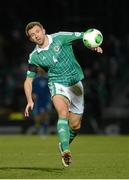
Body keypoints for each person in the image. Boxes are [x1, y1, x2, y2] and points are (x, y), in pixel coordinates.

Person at [24, 21, 103, 167]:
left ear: (43, 30)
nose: (36, 36)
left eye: (37, 31)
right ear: (31, 39)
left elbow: (84, 35)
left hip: (76, 84)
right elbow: (28, 81)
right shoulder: (34, 56)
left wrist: (93, 44)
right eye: (32, 35)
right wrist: (29, 100)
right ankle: (66, 151)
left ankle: (63, 144)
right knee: (62, 113)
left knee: (75, 126)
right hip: (57, 83)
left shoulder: (61, 37)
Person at [32, 67, 51, 135]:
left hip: (46, 99)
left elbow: (51, 89)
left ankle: (45, 130)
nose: (39, 69)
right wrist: (33, 94)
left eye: (41, 68)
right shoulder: (35, 79)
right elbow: (33, 88)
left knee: (45, 114)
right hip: (38, 100)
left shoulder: (48, 78)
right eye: (38, 68)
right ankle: (38, 129)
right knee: (37, 117)